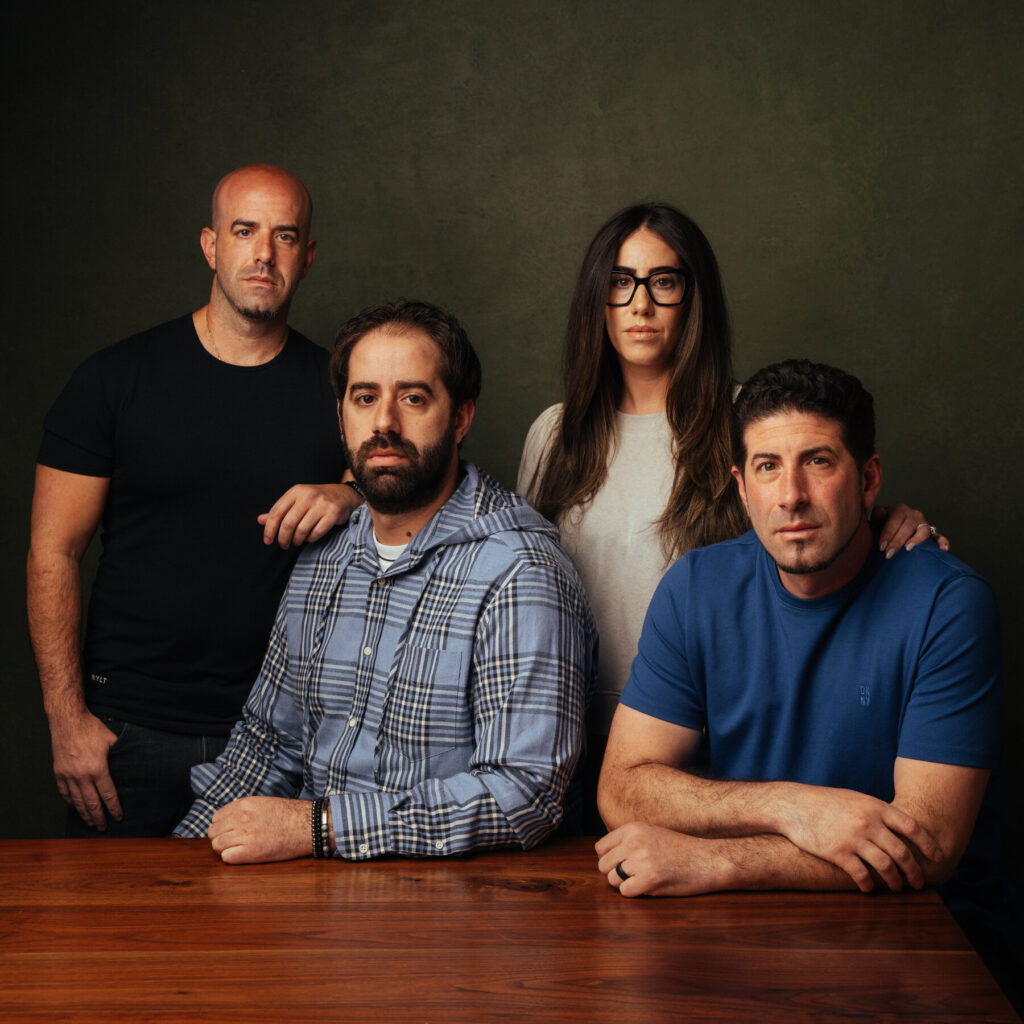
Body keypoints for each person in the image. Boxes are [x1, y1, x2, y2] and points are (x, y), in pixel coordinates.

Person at [517, 203, 944, 815]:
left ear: (695, 298)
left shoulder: (747, 421)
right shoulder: (555, 435)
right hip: (568, 737)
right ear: (596, 297)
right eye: (620, 282)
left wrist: (888, 520)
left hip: (707, 738)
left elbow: (807, 524)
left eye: (664, 281)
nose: (640, 305)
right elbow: (520, 582)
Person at [174, 300, 597, 863]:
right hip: (309, 891)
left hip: (451, 900)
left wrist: (319, 827)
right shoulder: (323, 559)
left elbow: (523, 793)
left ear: (461, 418)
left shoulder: (520, 573)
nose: (384, 424)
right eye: (365, 397)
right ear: (342, 414)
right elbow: (268, 745)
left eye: (413, 398)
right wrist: (185, 860)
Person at [27, 164, 360, 838]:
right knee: (113, 911)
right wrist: (66, 720)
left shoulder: (342, 392)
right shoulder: (114, 380)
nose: (263, 254)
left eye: (284, 236)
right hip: (129, 736)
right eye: (244, 231)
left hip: (283, 737)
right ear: (211, 246)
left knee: (276, 915)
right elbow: (52, 553)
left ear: (307, 256)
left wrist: (348, 493)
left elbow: (406, 495)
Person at [596, 358, 1001, 905]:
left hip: (909, 926)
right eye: (767, 466)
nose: (791, 495)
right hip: (735, 926)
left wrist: (716, 860)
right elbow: (622, 786)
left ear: (869, 479)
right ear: (742, 489)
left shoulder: (946, 603)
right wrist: (793, 808)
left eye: (818, 461)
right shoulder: (696, 587)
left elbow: (930, 846)